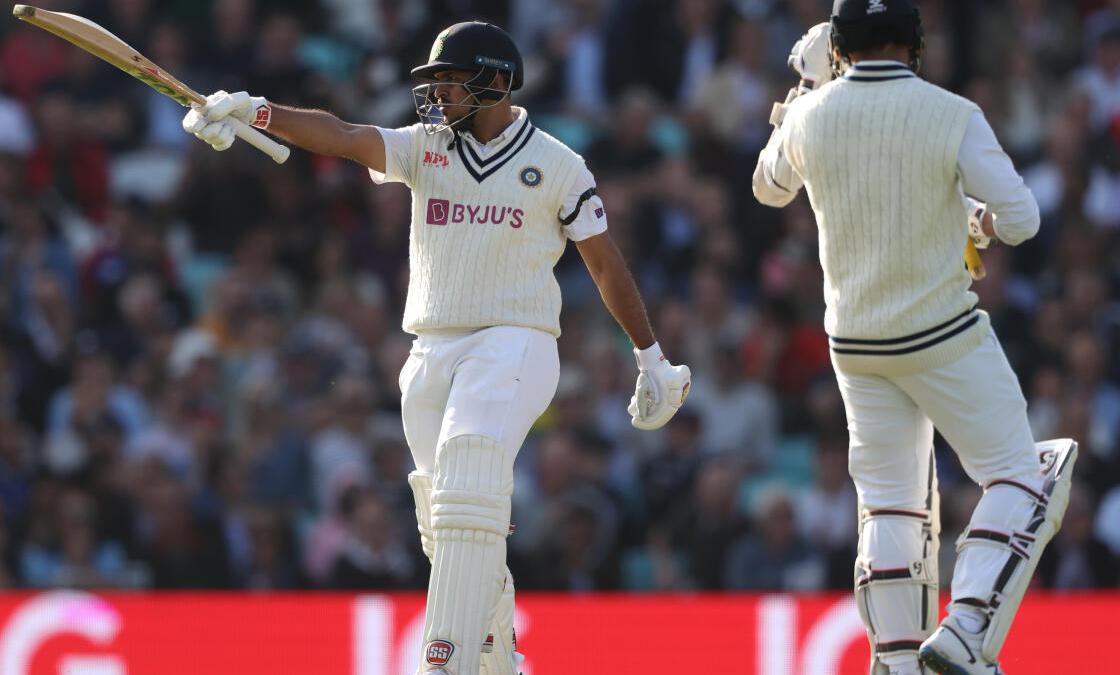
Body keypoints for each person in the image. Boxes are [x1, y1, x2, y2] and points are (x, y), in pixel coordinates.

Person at [181, 21, 690, 675]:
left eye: (452, 82)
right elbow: (342, 137)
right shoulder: (427, 148)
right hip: (429, 349)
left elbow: (603, 263)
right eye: (436, 83)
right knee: (446, 525)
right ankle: (496, 653)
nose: (440, 95)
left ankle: (441, 662)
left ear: (498, 82)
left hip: (516, 340)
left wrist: (649, 356)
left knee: (470, 472)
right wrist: (256, 109)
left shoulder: (559, 164)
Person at [751, 2, 1076, 674]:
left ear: (839, 45)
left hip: (856, 343)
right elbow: (1023, 220)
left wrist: (811, 87)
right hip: (943, 334)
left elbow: (768, 187)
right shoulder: (953, 112)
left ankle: (897, 663)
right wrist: (975, 223)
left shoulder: (813, 113)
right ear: (915, 42)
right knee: (1026, 472)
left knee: (891, 505)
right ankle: (965, 629)